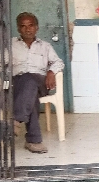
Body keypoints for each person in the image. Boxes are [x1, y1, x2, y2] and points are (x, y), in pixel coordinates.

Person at [12, 12, 64, 154]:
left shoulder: (45, 46)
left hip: (40, 82)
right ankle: (33, 141)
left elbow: (58, 62)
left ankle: (17, 119)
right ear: (18, 29)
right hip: (17, 83)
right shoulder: (11, 45)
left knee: (30, 80)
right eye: (23, 26)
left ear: (37, 27)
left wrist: (51, 72)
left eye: (31, 25)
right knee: (30, 92)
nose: (27, 29)